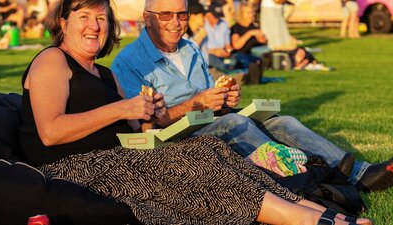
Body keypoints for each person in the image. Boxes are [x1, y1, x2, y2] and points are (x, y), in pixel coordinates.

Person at [20, 0, 375, 224]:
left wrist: (148, 114)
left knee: (212, 152)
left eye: (101, 18)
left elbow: (137, 132)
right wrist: (124, 107)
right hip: (78, 166)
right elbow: (51, 131)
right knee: (200, 168)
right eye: (84, 16)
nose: (95, 26)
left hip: (122, 156)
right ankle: (317, 219)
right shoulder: (53, 60)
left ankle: (319, 208)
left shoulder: (107, 74)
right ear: (63, 23)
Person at [111, 0, 393, 193]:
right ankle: (301, 180)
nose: (176, 22)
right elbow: (144, 127)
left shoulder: (191, 49)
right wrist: (197, 104)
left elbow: (210, 97)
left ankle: (359, 173)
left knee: (283, 122)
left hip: (211, 121)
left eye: (182, 14)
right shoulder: (129, 62)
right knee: (235, 123)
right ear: (146, 18)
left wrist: (225, 97)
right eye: (166, 15)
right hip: (175, 139)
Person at [231, 2, 267, 84]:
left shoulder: (254, 26)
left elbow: (263, 41)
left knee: (259, 60)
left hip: (250, 55)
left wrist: (260, 36)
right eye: (248, 13)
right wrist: (249, 34)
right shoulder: (236, 27)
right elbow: (236, 46)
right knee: (245, 61)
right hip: (238, 56)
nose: (251, 15)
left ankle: (256, 77)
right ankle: (252, 74)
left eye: (252, 12)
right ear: (241, 14)